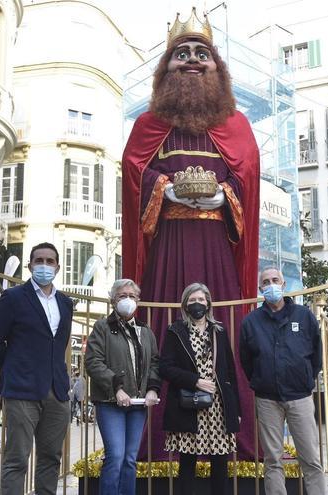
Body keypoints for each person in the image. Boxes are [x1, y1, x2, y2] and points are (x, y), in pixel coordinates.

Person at [121, 6, 260, 461]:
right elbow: (134, 173)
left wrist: (226, 195)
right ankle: (160, 440)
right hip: (168, 246)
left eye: (203, 53)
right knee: (167, 324)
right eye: (182, 54)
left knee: (223, 327)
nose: (194, 60)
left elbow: (248, 178)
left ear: (218, 66)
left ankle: (230, 433)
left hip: (217, 247)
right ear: (167, 68)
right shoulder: (148, 125)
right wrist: (165, 189)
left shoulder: (236, 126)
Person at [0, 242, 73, 495]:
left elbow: (59, 344)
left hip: (57, 393)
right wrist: (15, 367)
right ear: (30, 265)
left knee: (50, 459)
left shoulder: (65, 303)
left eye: (49, 261)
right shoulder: (13, 298)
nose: (44, 265)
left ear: (57, 267)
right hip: (22, 391)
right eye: (39, 260)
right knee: (17, 460)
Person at [239, 267, 325, 494]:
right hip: (267, 400)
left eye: (275, 280)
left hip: (301, 397)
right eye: (266, 282)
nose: (271, 285)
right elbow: (246, 360)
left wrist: (306, 378)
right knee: (273, 460)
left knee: (311, 459)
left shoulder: (304, 316)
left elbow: (316, 354)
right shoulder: (251, 322)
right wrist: (261, 380)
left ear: (284, 284)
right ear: (261, 289)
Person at [160, 283, 240, 495]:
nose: (197, 304)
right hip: (189, 406)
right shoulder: (175, 331)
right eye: (192, 300)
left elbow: (231, 372)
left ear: (208, 303)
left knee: (220, 464)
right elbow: (165, 368)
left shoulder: (219, 331)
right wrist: (195, 380)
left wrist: (236, 409)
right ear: (185, 305)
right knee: (187, 464)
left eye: (201, 300)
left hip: (218, 407)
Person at [85, 279, 161, 495]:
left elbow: (155, 362)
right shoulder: (102, 328)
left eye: (132, 296)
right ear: (112, 300)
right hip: (110, 403)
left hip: (138, 405)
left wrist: (153, 388)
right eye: (122, 296)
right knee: (116, 456)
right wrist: (116, 387)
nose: (127, 300)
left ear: (138, 300)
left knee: (130, 458)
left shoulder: (146, 332)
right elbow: (93, 362)